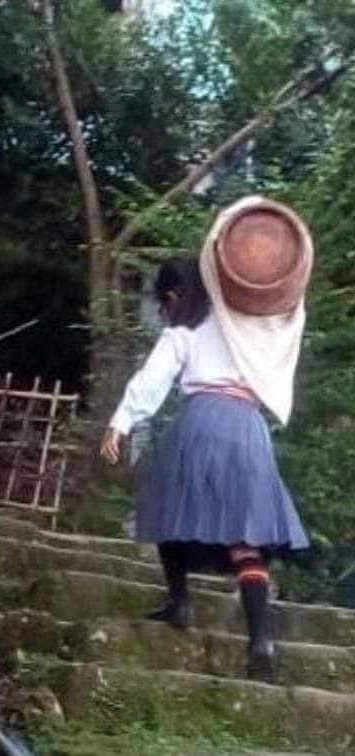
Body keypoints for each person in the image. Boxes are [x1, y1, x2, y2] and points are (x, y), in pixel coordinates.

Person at [100, 197, 312, 682]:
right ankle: (261, 640)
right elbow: (290, 301)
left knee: (171, 514)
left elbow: (155, 376)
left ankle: (180, 603)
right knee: (246, 540)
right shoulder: (267, 327)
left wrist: (122, 420)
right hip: (249, 428)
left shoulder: (186, 326)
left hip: (201, 421)